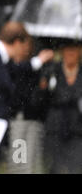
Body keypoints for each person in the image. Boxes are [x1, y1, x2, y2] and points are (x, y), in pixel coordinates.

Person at [0, 21, 54, 173]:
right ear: (17, 42)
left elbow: (16, 69)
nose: (26, 50)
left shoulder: (3, 60)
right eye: (25, 45)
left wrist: (38, 61)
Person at [34, 41, 82, 173]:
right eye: (68, 48)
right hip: (54, 127)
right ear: (62, 51)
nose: (71, 52)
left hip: (77, 130)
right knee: (54, 167)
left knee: (75, 167)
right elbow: (39, 101)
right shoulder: (51, 70)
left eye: (75, 48)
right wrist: (43, 88)